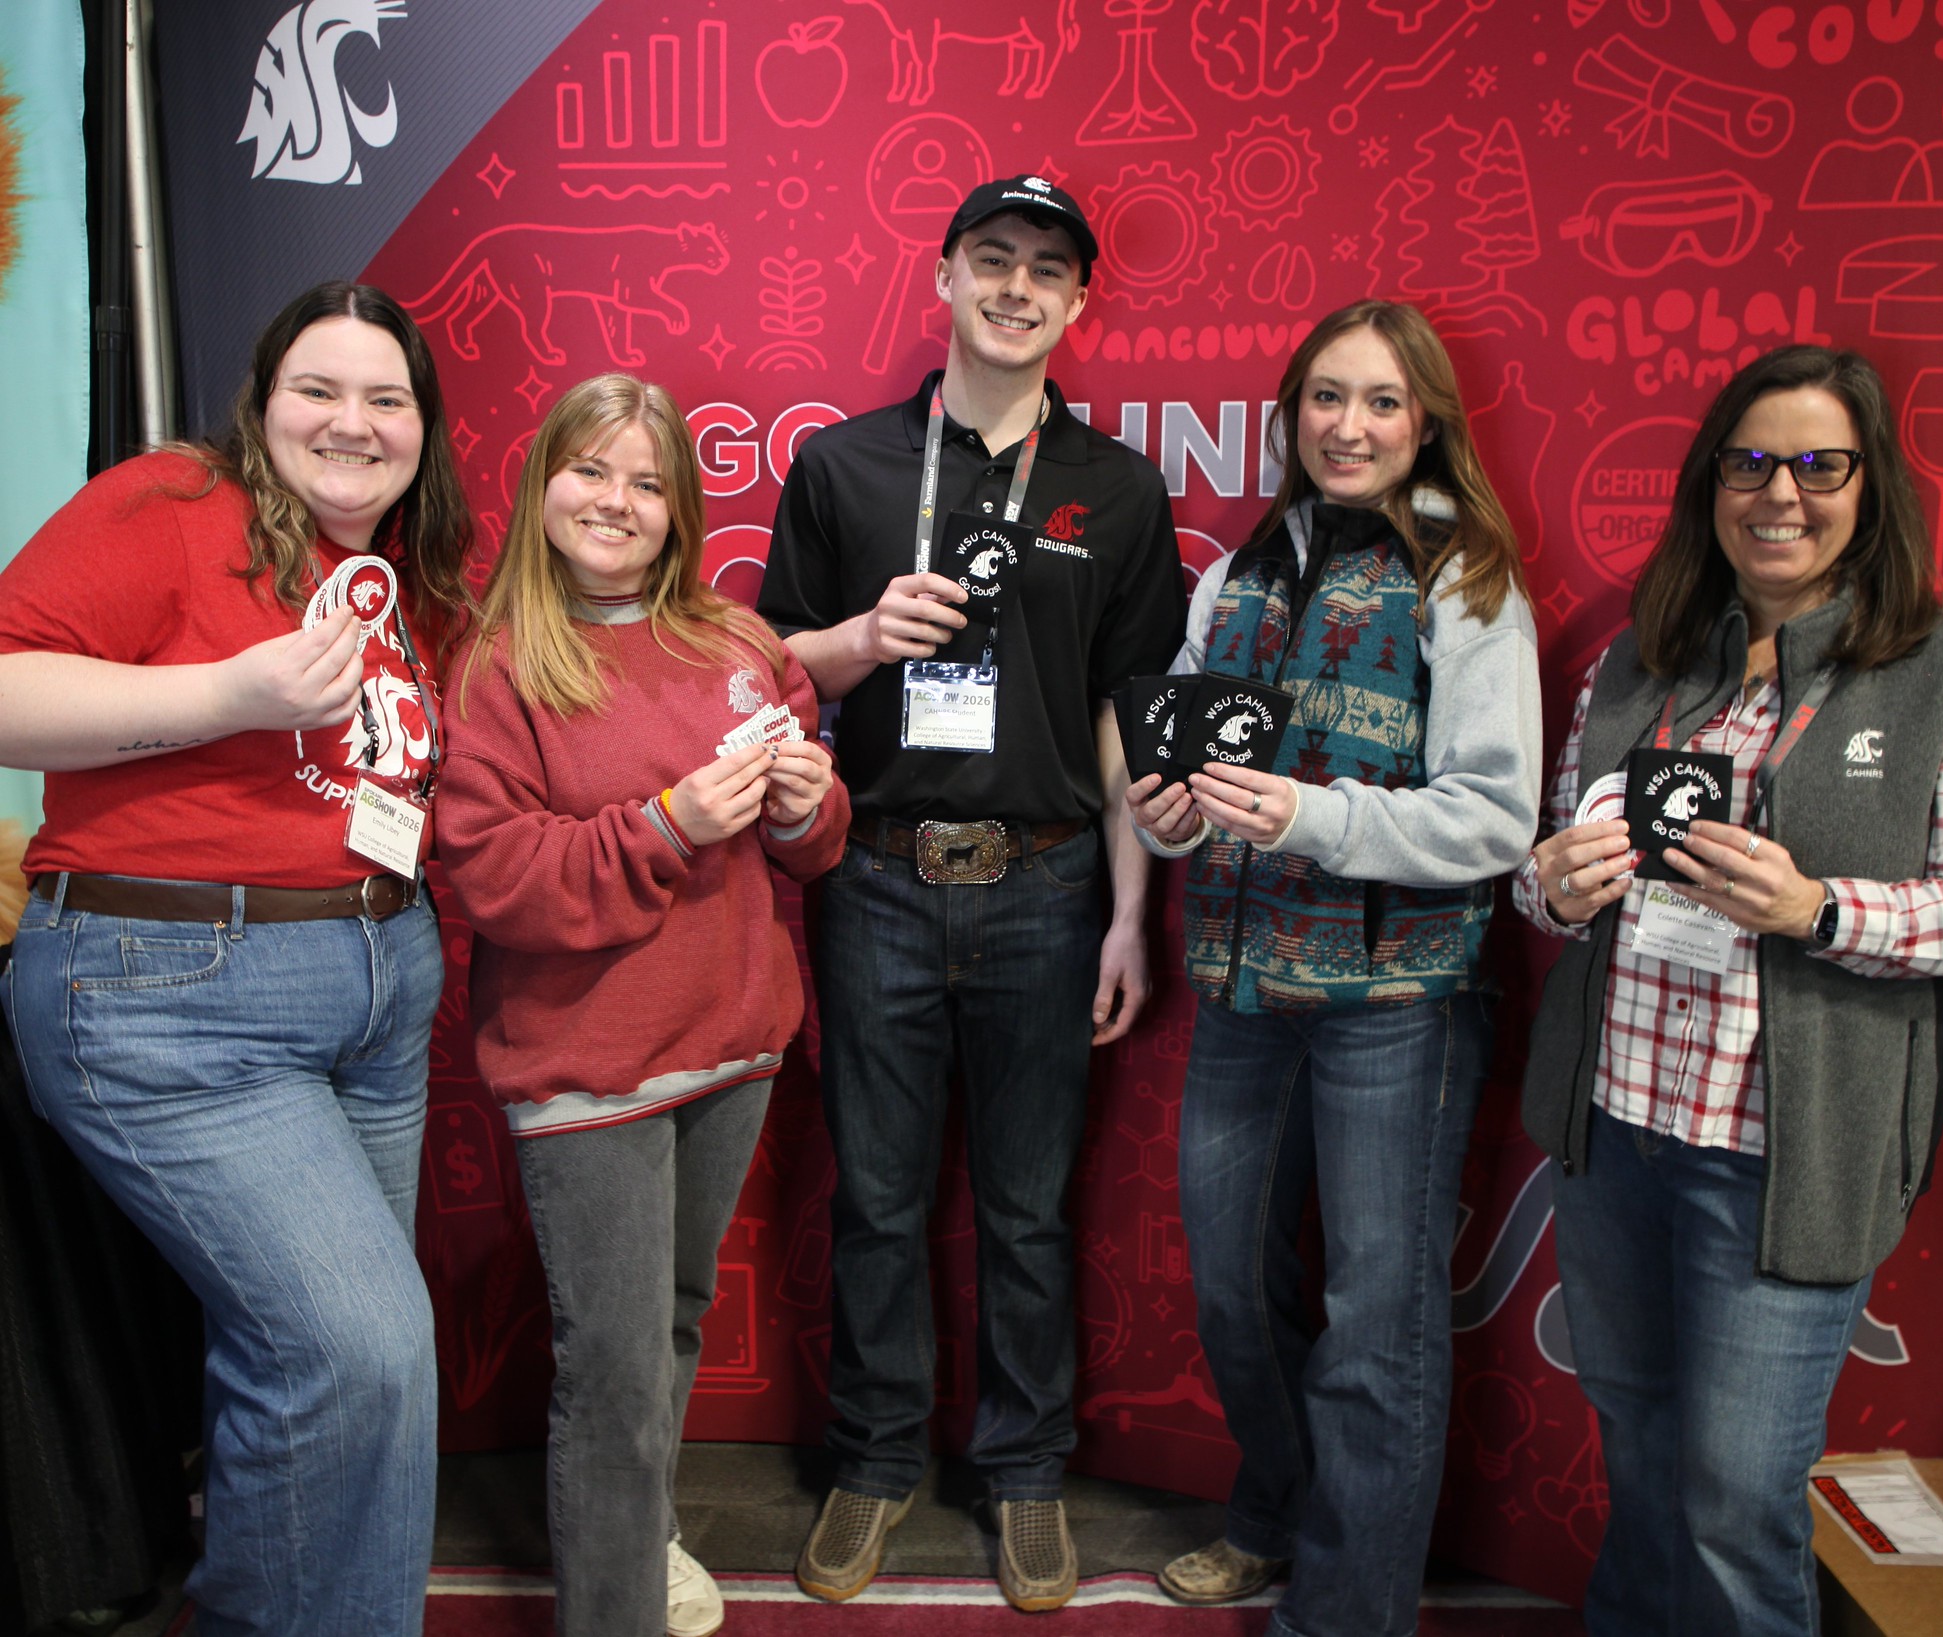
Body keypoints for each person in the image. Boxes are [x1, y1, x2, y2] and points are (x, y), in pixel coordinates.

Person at [1515, 344, 1943, 1636]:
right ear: (1710, 483)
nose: (1780, 495)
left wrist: (1818, 909)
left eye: (1819, 465)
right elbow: (1543, 875)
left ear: (1870, 487)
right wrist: (1553, 883)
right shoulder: (1639, 662)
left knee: (1736, 1498)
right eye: (1749, 463)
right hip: (1616, 1132)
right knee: (1637, 1449)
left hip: (1782, 1152)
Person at [0, 281, 474, 1636]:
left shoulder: (407, 570)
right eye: (317, 390)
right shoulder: (171, 504)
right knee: (360, 1347)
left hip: (376, 989)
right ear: (262, 405)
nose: (352, 422)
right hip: (170, 989)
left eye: (386, 398)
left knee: (314, 1370)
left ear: (424, 428)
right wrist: (229, 694)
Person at [757, 174, 1186, 1612]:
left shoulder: (1118, 488)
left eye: (1045, 270)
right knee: (876, 1201)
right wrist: (863, 635)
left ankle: (1025, 1471)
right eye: (991, 258)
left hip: (1046, 887)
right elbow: (767, 670)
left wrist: (1128, 913)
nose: (1015, 287)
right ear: (943, 274)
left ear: (1078, 302)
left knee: (1027, 1207)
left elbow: (1127, 716)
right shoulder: (845, 466)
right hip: (875, 879)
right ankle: (875, 1460)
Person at [1125, 300, 1540, 1636]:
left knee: (1375, 1321)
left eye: (1379, 400)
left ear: (1426, 423)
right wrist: (1164, 812)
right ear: (1289, 413)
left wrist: (1311, 818)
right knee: (1230, 1287)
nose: (1347, 426)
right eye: (1324, 396)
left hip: (1396, 1006)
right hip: (1243, 990)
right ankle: (1276, 1514)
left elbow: (1495, 818)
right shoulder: (1237, 573)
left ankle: (1347, 1609)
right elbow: (1172, 764)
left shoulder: (1464, 576)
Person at [437, 374, 848, 1637]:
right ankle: (610, 1606)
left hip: (728, 1045)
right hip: (583, 1066)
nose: (615, 500)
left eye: (647, 481)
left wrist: (805, 804)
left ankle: (643, 1528)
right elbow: (493, 874)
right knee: (611, 1370)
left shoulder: (740, 644)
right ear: (542, 483)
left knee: (667, 1323)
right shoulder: (499, 660)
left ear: (680, 510)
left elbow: (814, 846)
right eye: (590, 470)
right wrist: (665, 826)